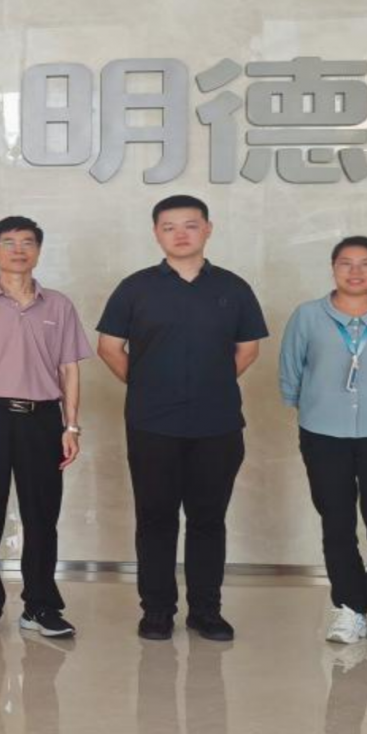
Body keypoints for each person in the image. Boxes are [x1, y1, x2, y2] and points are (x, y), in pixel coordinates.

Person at [95, 195, 267, 643]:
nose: (181, 234)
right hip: (152, 424)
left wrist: (209, 383)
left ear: (208, 228)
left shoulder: (233, 287)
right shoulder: (135, 288)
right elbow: (109, 347)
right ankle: (156, 611)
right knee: (155, 519)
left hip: (218, 424)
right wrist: (148, 385)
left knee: (208, 520)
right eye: (169, 227)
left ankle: (206, 611)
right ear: (156, 234)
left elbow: (248, 348)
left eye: (191, 225)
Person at [278, 236, 367, 652]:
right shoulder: (308, 315)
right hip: (323, 433)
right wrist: (309, 405)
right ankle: (350, 608)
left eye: (366, 263)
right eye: (346, 263)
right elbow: (291, 368)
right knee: (337, 524)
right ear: (333, 268)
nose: (355, 272)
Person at [0, 215, 89, 638]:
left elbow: (69, 368)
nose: (18, 250)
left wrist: (71, 426)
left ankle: (41, 607)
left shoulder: (59, 305)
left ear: (39, 250)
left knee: (42, 516)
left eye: (27, 242)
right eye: (8, 243)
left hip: (43, 420)